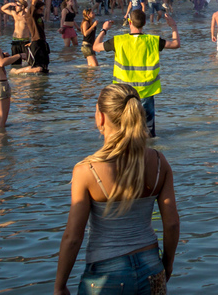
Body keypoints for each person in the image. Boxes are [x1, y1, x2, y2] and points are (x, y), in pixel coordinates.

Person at [54, 83, 179, 295]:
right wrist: (167, 264)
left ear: (101, 118)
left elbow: (73, 237)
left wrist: (60, 285)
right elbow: (172, 223)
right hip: (151, 266)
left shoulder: (87, 170)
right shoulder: (159, 163)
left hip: (105, 275)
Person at [93, 9, 180, 137]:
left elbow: (95, 47)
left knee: (124, 133)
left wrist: (104, 29)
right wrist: (173, 26)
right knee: (148, 135)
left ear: (129, 22)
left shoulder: (118, 40)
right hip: (146, 93)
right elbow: (176, 43)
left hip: (123, 94)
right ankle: (149, 156)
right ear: (144, 23)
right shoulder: (153, 40)